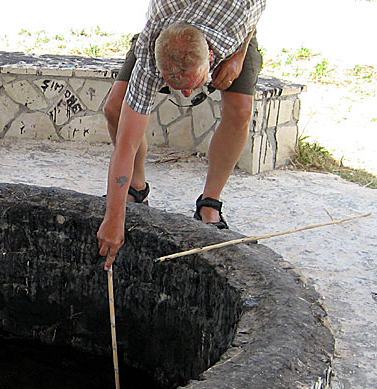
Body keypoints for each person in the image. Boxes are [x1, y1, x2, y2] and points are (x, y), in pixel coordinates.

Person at [97, 0, 266, 270]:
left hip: (232, 33)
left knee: (241, 111)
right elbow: (126, 145)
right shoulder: (150, 58)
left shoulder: (238, 11)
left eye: (190, 85)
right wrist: (114, 219)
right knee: (116, 108)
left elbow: (257, 9)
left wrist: (238, 56)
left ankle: (210, 204)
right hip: (170, 27)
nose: (186, 95)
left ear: (211, 56)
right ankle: (136, 189)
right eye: (176, 84)